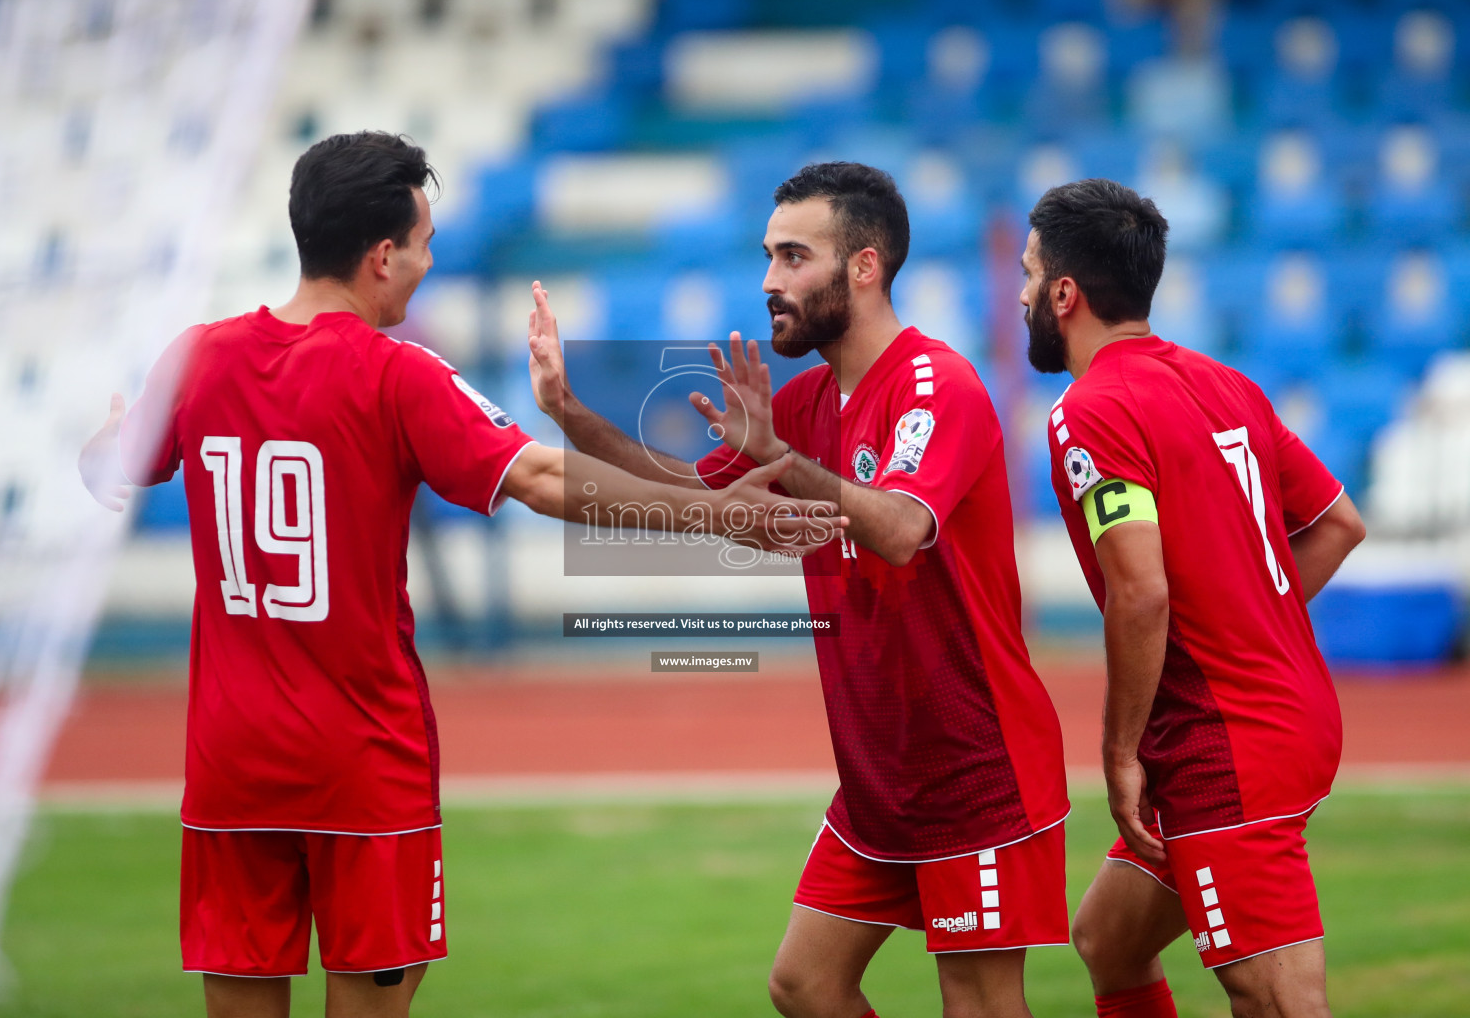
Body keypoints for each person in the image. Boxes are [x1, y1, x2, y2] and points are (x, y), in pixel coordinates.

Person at [77, 131, 838, 1018]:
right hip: (360, 761)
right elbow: (543, 479)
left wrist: (101, 450)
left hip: (230, 766)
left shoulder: (197, 356)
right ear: (380, 255)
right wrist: (720, 513)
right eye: (426, 243)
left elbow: (108, 470)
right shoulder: (396, 372)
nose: (431, 262)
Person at [527, 161, 1071, 1018]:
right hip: (878, 776)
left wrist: (782, 457)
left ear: (864, 267)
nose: (770, 282)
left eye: (793, 257)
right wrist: (569, 413)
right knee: (805, 985)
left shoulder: (939, 386)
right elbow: (690, 497)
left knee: (979, 1005)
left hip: (974, 766)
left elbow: (896, 530)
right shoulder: (808, 401)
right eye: (770, 258)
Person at [1018, 177, 1367, 1018]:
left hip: (1225, 745)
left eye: (1030, 274)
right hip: (1287, 715)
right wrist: (1255, 619)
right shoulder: (1226, 385)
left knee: (1277, 999)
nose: (1022, 291)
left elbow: (1140, 594)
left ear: (1065, 294)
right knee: (1111, 940)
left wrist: (1119, 753)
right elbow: (1336, 525)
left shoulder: (1091, 412)